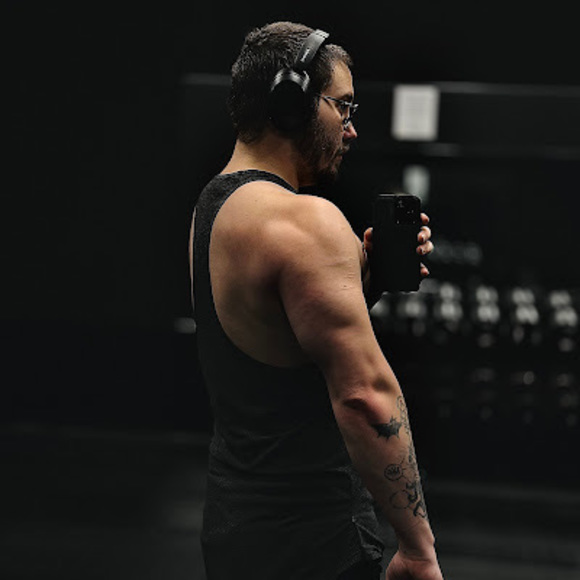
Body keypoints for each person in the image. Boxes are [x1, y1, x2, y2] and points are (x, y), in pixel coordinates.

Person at [188, 21, 443, 580]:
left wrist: (362, 283)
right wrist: (418, 549)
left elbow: (273, 345)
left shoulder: (214, 206)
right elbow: (365, 398)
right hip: (316, 542)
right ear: (291, 102)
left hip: (237, 528)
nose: (351, 129)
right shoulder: (306, 222)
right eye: (342, 106)